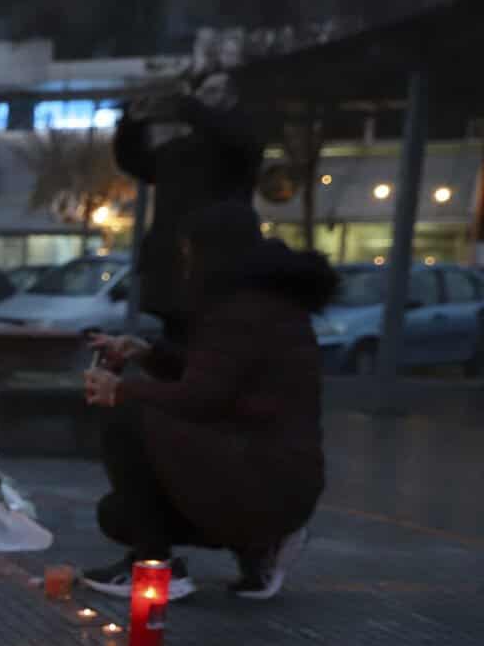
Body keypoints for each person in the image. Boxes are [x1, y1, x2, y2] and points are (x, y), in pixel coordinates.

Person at [79, 202, 334, 602]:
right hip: (280, 481)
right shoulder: (265, 302)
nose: (186, 265)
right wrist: (146, 353)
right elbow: (221, 379)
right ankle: (258, 550)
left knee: (125, 413)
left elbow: (202, 397)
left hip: (264, 479)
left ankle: (155, 568)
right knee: (118, 513)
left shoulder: (240, 310)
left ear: (209, 253)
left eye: (189, 253)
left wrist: (119, 389)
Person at [113, 72, 261, 340]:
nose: (204, 98)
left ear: (233, 99)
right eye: (203, 91)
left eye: (214, 91)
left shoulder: (241, 141)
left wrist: (188, 105)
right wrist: (131, 124)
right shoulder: (179, 150)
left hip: (219, 270)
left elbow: (230, 136)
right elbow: (135, 162)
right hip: (173, 273)